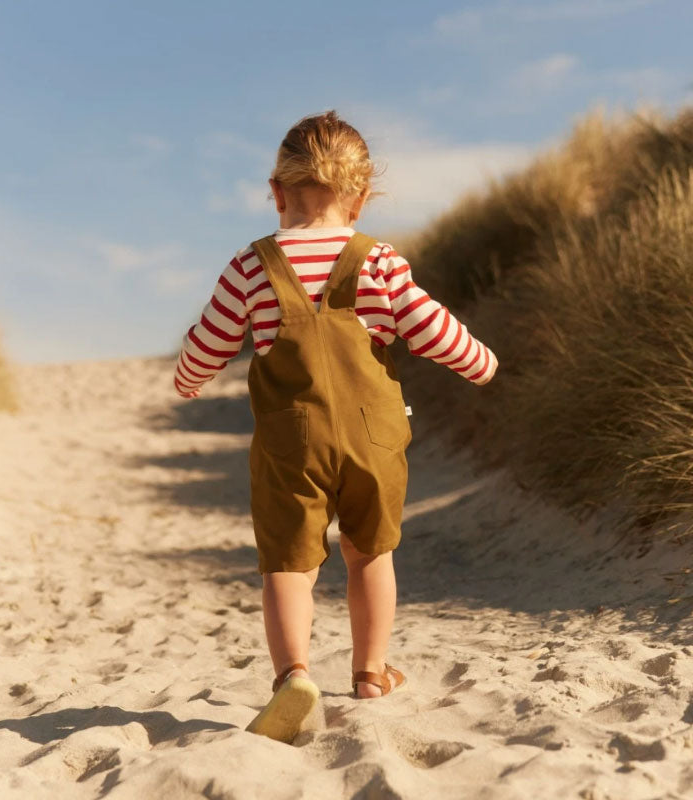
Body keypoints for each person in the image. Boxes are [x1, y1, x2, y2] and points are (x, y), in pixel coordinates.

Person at [173, 110, 498, 744]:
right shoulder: (379, 262)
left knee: (288, 564)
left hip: (290, 443)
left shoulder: (251, 267)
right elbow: (433, 329)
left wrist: (186, 380)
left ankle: (294, 675)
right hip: (373, 438)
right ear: (362, 196)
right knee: (369, 552)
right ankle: (371, 672)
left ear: (276, 192)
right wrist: (482, 364)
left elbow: (206, 345)